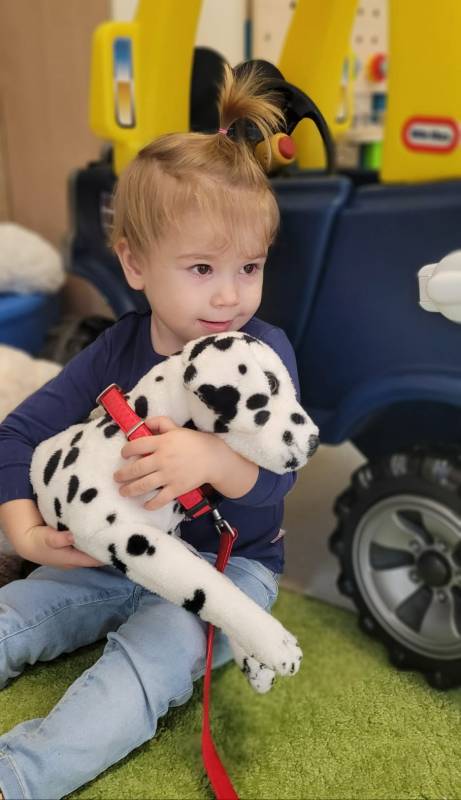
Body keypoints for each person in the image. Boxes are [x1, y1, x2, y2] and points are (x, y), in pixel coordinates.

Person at [0, 64, 302, 800]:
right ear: (135, 264)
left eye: (249, 267)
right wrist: (25, 535)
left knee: (143, 670)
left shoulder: (262, 352)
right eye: (201, 268)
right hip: (112, 558)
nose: (230, 295)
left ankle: (19, 778)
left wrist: (213, 460)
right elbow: (16, 436)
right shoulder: (115, 350)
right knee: (15, 616)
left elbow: (276, 485)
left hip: (229, 572)